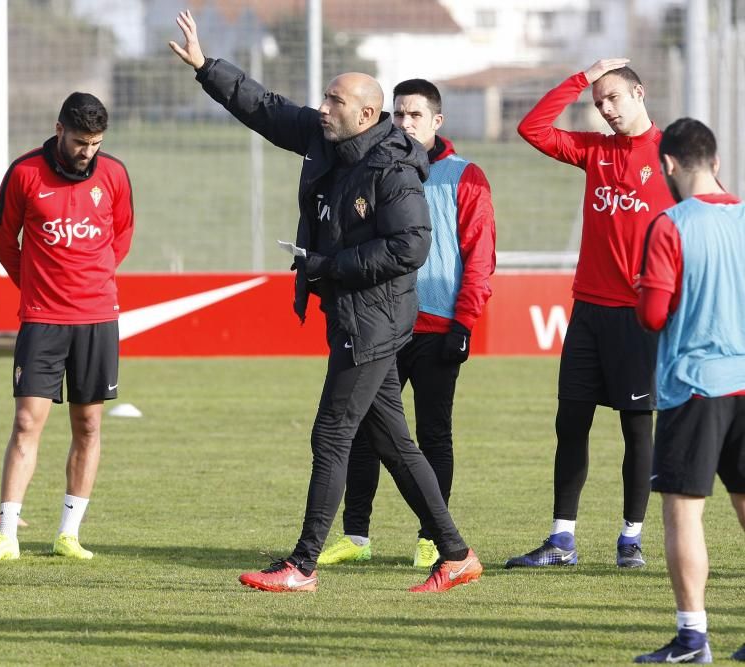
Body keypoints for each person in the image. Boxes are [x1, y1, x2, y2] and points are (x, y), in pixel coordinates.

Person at [170, 10, 482, 593]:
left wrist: (328, 266)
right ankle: (457, 555)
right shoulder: (325, 136)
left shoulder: (392, 168)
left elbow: (411, 247)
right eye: (325, 97)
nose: (322, 107)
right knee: (393, 441)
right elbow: (264, 107)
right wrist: (207, 67)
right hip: (351, 314)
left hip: (377, 319)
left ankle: (302, 565)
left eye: (334, 100)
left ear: (367, 113)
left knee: (333, 433)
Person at [318, 78, 496, 569]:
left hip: (438, 326)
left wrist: (465, 321)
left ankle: (432, 539)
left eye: (415, 115)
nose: (404, 123)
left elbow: (479, 256)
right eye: (397, 115)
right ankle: (356, 536)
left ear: (437, 121)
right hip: (383, 319)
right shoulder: (375, 167)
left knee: (433, 434)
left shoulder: (464, 175)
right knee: (363, 431)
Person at [506, 58, 675, 570]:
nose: (606, 110)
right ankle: (561, 540)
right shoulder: (594, 150)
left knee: (636, 428)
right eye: (598, 103)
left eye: (614, 98)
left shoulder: (670, 154)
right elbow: (530, 128)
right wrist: (581, 77)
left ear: (639, 93)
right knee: (570, 422)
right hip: (588, 310)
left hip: (638, 316)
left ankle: (631, 539)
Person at [0, 90, 135, 562]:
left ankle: (69, 532)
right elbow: (3, 239)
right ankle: (6, 534)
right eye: (81, 141)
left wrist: (95, 277)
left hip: (98, 319)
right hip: (42, 320)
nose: (88, 152)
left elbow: (121, 234)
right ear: (60, 129)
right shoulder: (24, 173)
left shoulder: (116, 174)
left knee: (87, 424)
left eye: (96, 143)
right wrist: (35, 284)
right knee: (27, 421)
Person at [632, 118, 745, 664]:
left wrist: (644, 293)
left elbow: (654, 314)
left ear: (669, 165)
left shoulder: (671, 224)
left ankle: (692, 636)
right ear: (716, 163)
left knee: (684, 513)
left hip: (695, 386)